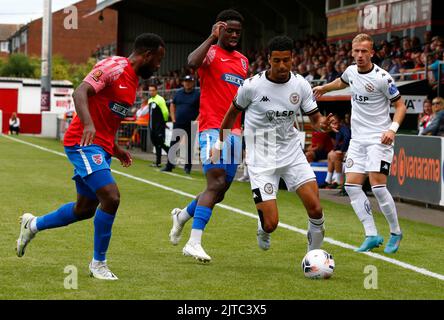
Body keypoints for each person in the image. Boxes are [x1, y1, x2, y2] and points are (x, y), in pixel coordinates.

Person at [16, 33, 166, 280]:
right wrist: (87, 124)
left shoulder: (133, 81)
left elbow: (107, 117)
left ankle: (32, 225)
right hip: (82, 142)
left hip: (101, 147)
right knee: (111, 196)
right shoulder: (113, 67)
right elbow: (80, 92)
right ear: (147, 55)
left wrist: (116, 149)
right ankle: (98, 263)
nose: (159, 66)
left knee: (84, 209)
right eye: (158, 60)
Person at [214, 35, 337, 253]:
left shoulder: (300, 85)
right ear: (268, 59)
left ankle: (314, 258)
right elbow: (231, 114)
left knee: (316, 209)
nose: (282, 65)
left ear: (293, 59)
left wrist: (323, 125)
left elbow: (316, 120)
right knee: (271, 224)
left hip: (291, 155)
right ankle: (263, 228)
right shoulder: (251, 86)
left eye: (286, 60)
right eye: (277, 60)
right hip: (261, 158)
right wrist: (219, 144)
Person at [313, 33, 407, 254]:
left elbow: (400, 106)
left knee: (377, 185)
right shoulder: (351, 71)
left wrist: (391, 130)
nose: (360, 55)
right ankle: (372, 234)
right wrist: (324, 88)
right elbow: (342, 81)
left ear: (372, 53)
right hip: (358, 139)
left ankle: (395, 232)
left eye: (364, 51)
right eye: (356, 51)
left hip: (378, 138)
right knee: (352, 186)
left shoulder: (383, 78)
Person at [168, 9, 249, 262]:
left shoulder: (244, 61)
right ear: (220, 29)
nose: (234, 35)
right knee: (214, 183)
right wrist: (211, 38)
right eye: (229, 30)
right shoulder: (210, 53)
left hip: (233, 131)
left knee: (221, 189)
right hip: (211, 128)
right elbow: (191, 62)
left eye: (238, 31)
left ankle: (181, 216)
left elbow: (244, 99)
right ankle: (194, 242)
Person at [162, 75, 200, 174]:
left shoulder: (197, 94)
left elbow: (203, 109)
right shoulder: (178, 93)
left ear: (193, 83)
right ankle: (169, 166)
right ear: (183, 82)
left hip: (191, 124)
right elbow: (172, 104)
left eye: (189, 81)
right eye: (186, 81)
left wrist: (196, 120)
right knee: (173, 145)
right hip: (178, 123)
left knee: (189, 147)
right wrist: (173, 118)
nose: (187, 83)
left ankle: (188, 168)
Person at [320, 114, 351, 189]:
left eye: (335, 121)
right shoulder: (335, 130)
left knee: (335, 155)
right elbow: (336, 143)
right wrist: (335, 150)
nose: (334, 123)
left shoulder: (344, 128)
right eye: (332, 122)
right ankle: (328, 180)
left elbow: (347, 138)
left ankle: (338, 181)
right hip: (344, 151)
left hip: (349, 151)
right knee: (330, 154)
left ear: (340, 122)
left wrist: (341, 150)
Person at [147, 84, 169, 167]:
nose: (151, 92)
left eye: (153, 90)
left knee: (160, 143)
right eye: (150, 90)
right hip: (152, 126)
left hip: (159, 126)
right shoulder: (150, 100)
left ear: (156, 91)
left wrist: (164, 122)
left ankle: (171, 158)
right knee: (156, 144)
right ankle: (158, 162)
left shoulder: (160, 99)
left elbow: (165, 112)